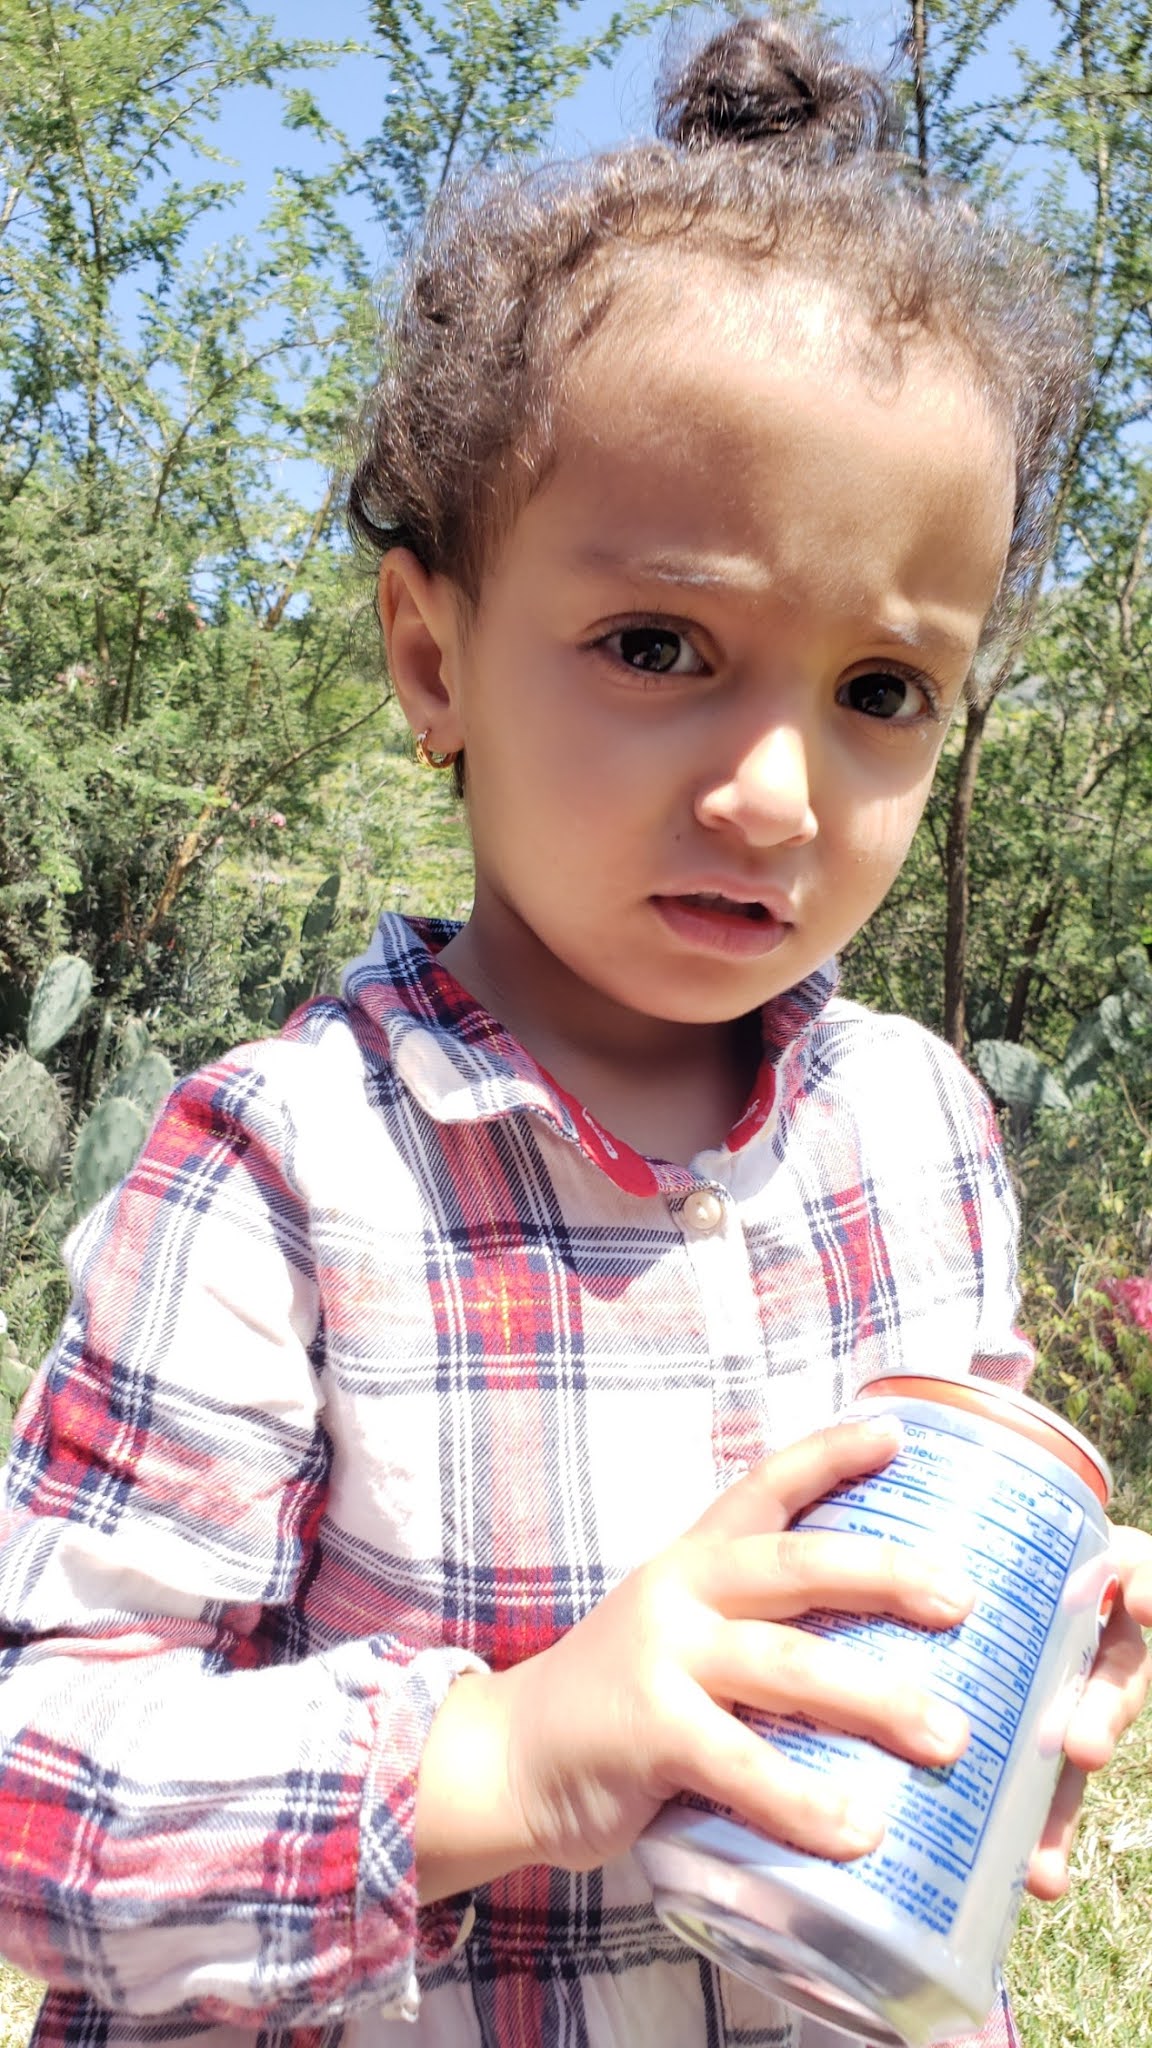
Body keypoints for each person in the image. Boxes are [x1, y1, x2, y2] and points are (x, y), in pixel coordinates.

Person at [0, 14, 1148, 2048]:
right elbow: (40, 1794)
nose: (776, 795)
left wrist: (1045, 1636)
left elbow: (925, 1570)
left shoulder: (919, 1130)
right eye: (658, 646)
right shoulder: (285, 1174)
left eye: (882, 691)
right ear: (432, 653)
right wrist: (515, 1758)